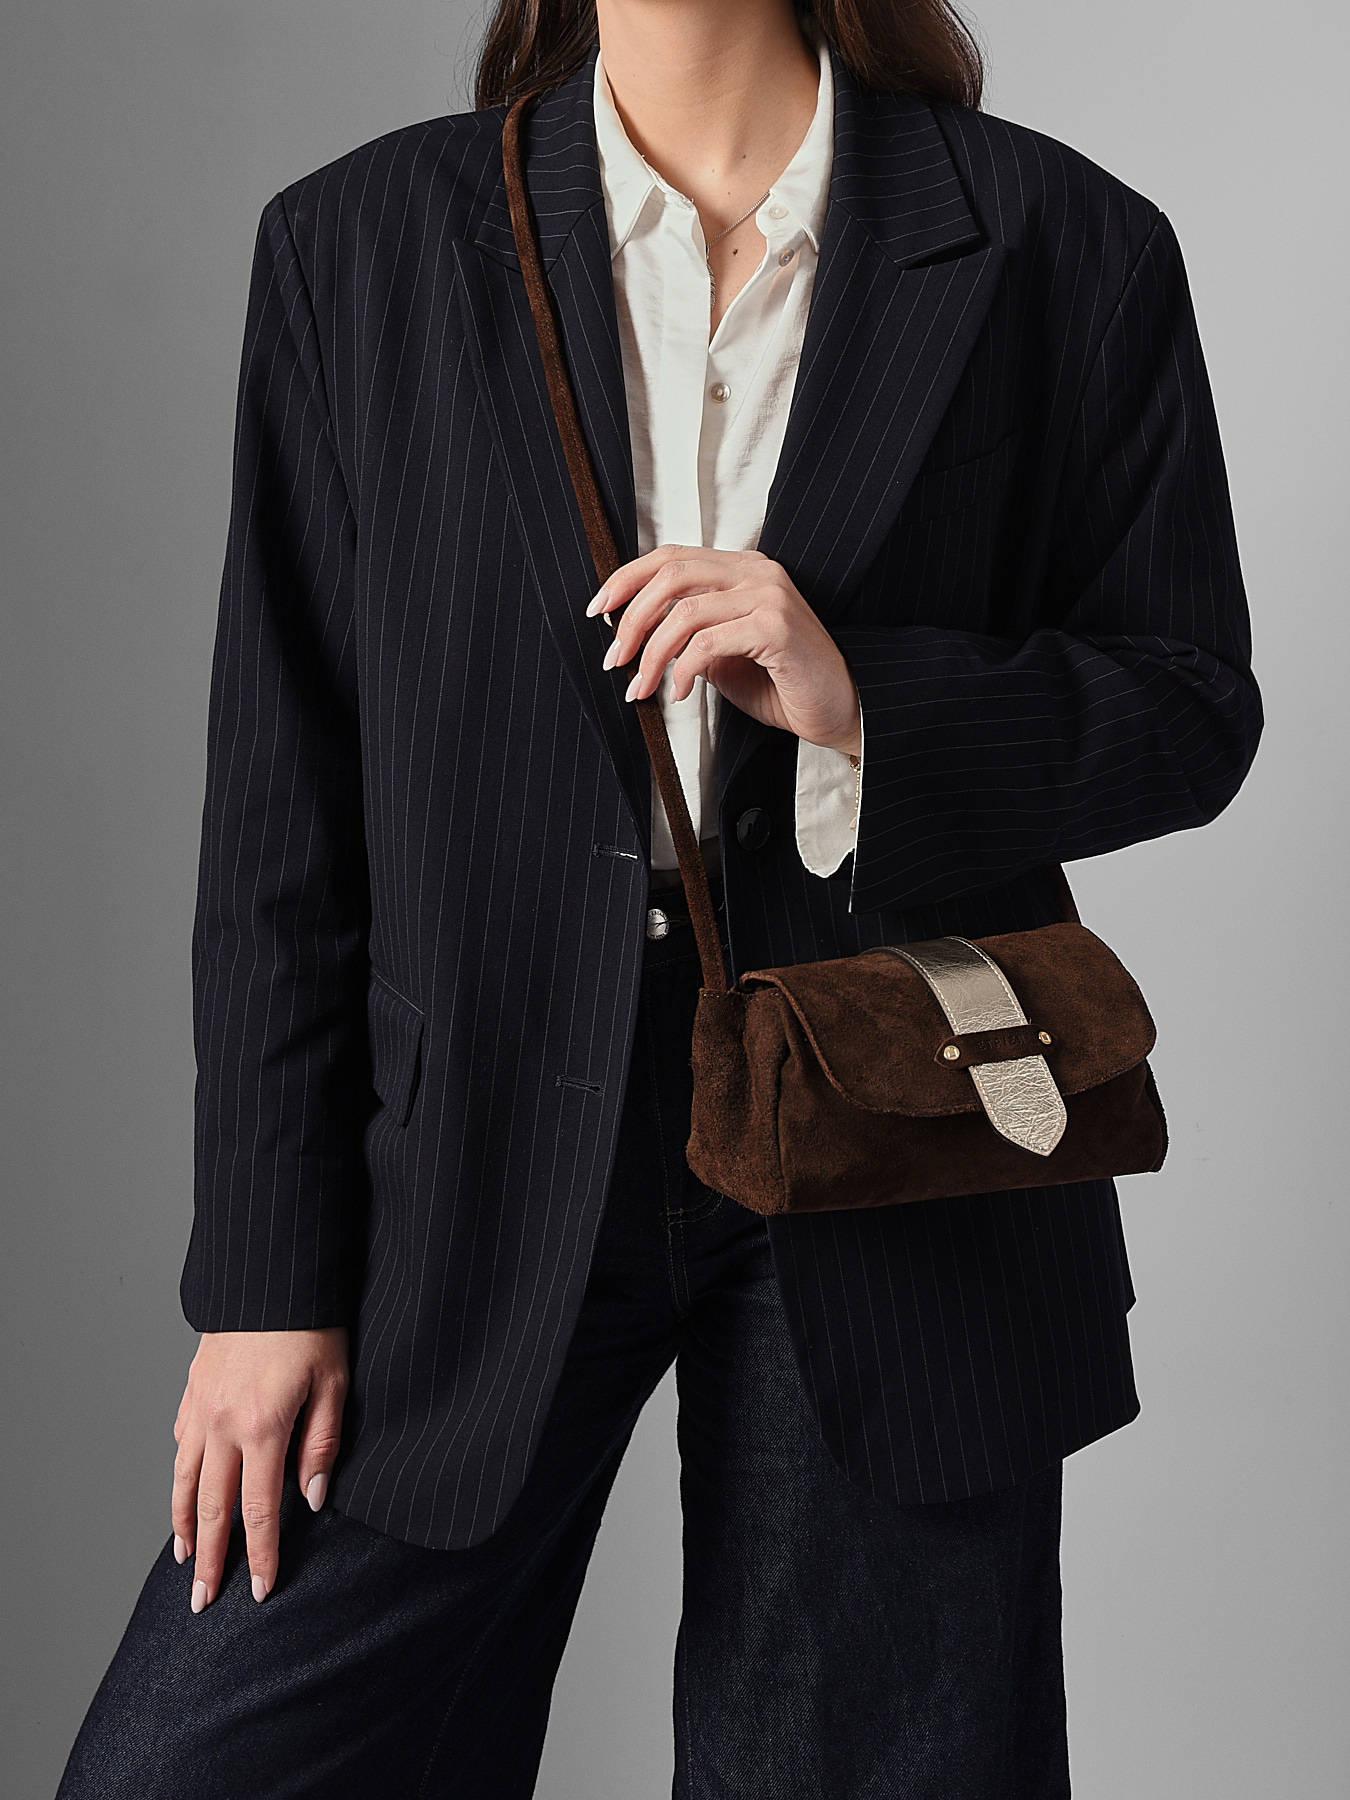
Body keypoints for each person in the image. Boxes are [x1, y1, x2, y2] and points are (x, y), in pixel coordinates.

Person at [56, 0, 1263, 1794]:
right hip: (465, 1148)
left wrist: (862, 694)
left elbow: (1188, 709)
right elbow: (280, 817)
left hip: (900, 1127)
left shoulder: (1058, 239)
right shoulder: (358, 244)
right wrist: (262, 1282)